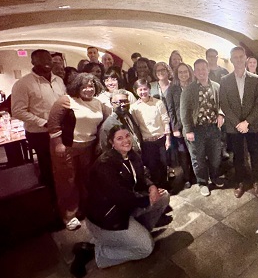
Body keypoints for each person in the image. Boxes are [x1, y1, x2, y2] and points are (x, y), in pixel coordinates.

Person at [70, 125, 169, 277]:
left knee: (163, 196)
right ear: (112, 143)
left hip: (124, 210)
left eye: (127, 136)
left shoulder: (132, 155)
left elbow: (141, 177)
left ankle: (138, 235)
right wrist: (147, 199)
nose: (126, 141)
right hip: (107, 219)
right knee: (146, 249)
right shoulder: (105, 164)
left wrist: (152, 187)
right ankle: (95, 252)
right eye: (120, 138)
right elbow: (121, 196)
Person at [47, 73, 108, 231]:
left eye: (92, 85)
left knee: (86, 179)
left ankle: (85, 207)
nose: (89, 89)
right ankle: (69, 215)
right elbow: (53, 124)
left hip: (88, 147)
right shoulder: (66, 101)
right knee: (67, 181)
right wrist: (58, 144)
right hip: (67, 148)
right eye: (84, 86)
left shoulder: (97, 102)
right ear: (77, 87)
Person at [11, 49, 66, 194]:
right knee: (48, 168)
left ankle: (65, 198)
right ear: (33, 62)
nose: (47, 63)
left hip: (61, 130)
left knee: (63, 166)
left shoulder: (58, 80)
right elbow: (17, 111)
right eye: (41, 60)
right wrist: (43, 122)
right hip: (40, 134)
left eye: (49, 59)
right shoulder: (23, 84)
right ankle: (51, 201)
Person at [220, 46, 258, 198]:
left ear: (245, 58)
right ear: (231, 59)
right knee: (238, 156)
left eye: (241, 56)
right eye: (235, 57)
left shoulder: (256, 79)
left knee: (255, 154)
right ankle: (241, 182)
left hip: (251, 125)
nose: (238, 60)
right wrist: (238, 123)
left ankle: (256, 181)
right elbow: (224, 104)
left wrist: (247, 122)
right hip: (234, 126)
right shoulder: (225, 80)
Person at [180, 59, 225, 196]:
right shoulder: (189, 90)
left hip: (213, 127)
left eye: (203, 69)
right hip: (196, 129)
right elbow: (184, 111)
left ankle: (215, 177)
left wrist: (221, 114)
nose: (201, 72)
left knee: (215, 156)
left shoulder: (216, 86)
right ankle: (202, 182)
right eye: (198, 69)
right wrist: (188, 130)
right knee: (198, 159)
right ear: (194, 72)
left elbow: (222, 104)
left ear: (208, 70)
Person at [130, 79, 171, 189]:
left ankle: (165, 184)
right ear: (135, 91)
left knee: (163, 163)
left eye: (145, 89)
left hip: (161, 139)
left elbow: (165, 120)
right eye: (140, 89)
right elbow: (136, 126)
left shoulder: (158, 102)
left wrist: (168, 139)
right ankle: (156, 187)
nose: (143, 92)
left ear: (149, 89)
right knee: (152, 166)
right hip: (147, 142)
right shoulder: (134, 107)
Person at [165, 63, 196, 188]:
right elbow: (170, 109)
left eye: (186, 71)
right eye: (180, 72)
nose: (183, 74)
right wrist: (175, 128)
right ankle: (187, 178)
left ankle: (197, 175)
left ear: (190, 73)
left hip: (194, 125)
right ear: (177, 74)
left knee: (195, 152)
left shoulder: (194, 86)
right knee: (183, 154)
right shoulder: (172, 89)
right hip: (180, 125)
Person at [98, 90, 143, 155]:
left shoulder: (129, 116)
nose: (123, 104)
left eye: (125, 101)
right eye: (119, 102)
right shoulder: (109, 125)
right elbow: (106, 150)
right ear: (111, 103)